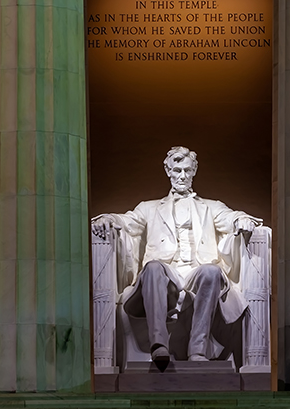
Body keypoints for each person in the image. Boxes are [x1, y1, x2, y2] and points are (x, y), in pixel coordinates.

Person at [92, 146, 262, 371]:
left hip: (197, 272)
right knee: (152, 267)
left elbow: (230, 217)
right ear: (168, 171)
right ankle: (159, 345)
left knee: (212, 271)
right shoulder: (149, 208)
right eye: (177, 170)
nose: (182, 176)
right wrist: (108, 218)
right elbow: (127, 221)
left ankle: (198, 350)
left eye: (187, 170)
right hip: (165, 273)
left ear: (194, 171)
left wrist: (242, 219)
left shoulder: (211, 207)